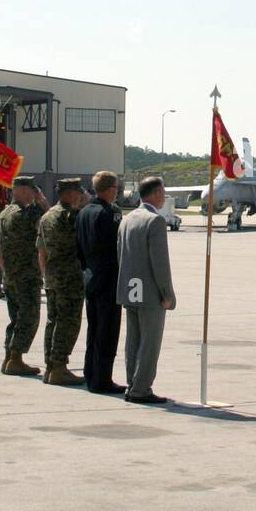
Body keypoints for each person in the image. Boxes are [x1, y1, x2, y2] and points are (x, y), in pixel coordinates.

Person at [116, 176, 175, 404]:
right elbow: (160, 263)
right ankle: (141, 388)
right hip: (150, 292)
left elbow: (120, 254)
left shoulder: (127, 219)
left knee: (133, 341)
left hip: (129, 288)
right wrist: (166, 294)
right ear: (157, 193)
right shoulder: (155, 221)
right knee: (149, 343)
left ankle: (133, 384)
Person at [76, 171, 126, 394]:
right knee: (107, 332)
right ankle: (102, 378)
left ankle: (90, 373)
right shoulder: (110, 214)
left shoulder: (84, 212)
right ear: (111, 189)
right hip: (108, 278)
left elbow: (78, 247)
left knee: (93, 329)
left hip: (90, 276)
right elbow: (117, 248)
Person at [0, 176, 48, 377]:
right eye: (33, 190)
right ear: (24, 190)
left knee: (15, 317)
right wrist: (43, 202)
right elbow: (51, 224)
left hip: (10, 276)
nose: (35, 193)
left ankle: (9, 357)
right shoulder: (29, 213)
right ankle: (15, 358)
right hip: (27, 276)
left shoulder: (4, 213)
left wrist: (6, 269)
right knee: (29, 316)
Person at [37, 179, 87, 386]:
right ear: (70, 193)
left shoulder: (47, 216)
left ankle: (51, 365)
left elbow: (41, 250)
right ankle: (59, 367)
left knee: (53, 321)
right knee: (68, 322)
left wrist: (45, 274)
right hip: (70, 277)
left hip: (52, 275)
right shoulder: (71, 216)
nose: (81, 195)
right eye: (79, 191)